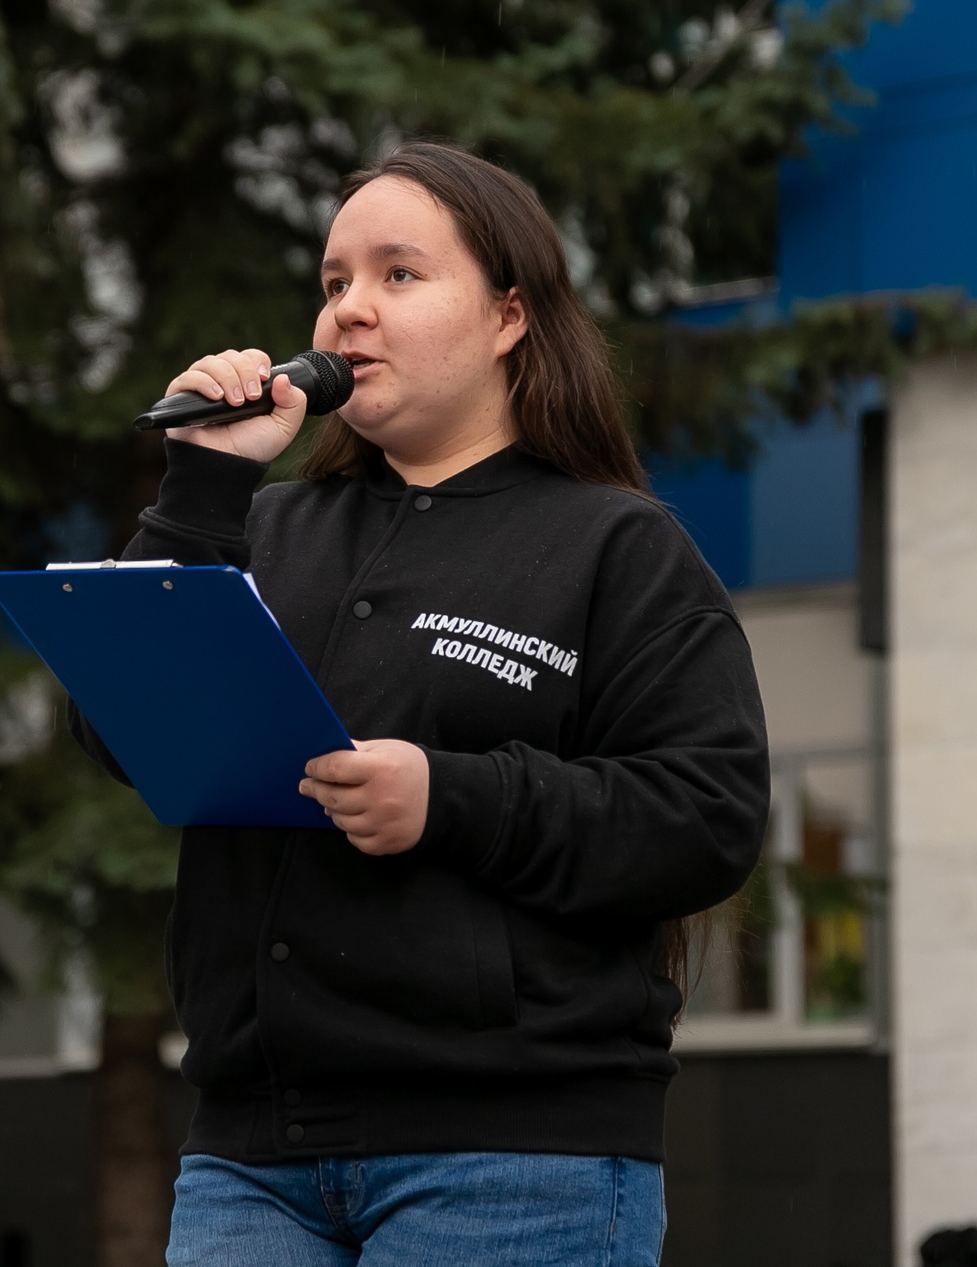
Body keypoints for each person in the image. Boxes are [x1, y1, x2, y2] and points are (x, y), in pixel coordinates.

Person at [70, 142, 769, 1266]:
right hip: (250, 1162)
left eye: (398, 274)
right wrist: (202, 484)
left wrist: (450, 799)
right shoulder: (265, 527)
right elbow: (123, 727)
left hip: (514, 1159)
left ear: (508, 317)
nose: (348, 309)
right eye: (334, 280)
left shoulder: (617, 546)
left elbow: (705, 817)